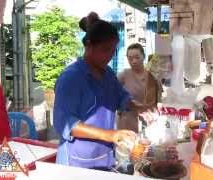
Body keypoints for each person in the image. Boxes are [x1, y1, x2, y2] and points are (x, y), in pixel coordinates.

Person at [53, 14, 148, 171]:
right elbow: (65, 124)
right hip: (76, 164)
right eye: (105, 50)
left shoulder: (108, 74)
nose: (110, 55)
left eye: (113, 50)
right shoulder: (71, 78)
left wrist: (141, 107)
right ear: (89, 46)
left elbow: (122, 98)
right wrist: (111, 135)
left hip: (104, 158)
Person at [117, 43, 161, 133]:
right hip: (127, 123)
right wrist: (127, 102)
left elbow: (158, 101)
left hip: (148, 121)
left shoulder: (152, 77)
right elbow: (113, 95)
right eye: (130, 58)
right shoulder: (123, 75)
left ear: (143, 56)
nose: (134, 61)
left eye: (137, 57)